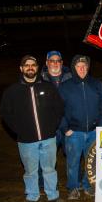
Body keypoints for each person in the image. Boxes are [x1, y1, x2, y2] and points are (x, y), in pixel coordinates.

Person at [0, 55, 65, 202]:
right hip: (26, 140)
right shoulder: (12, 91)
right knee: (30, 171)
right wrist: (19, 130)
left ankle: (53, 195)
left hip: (48, 138)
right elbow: (6, 114)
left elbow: (59, 108)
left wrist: (51, 127)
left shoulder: (48, 87)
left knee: (49, 168)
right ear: (21, 68)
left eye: (33, 65)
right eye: (26, 65)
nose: (30, 67)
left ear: (37, 68)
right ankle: (32, 196)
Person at [59, 54, 102, 200]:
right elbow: (58, 110)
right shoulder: (65, 87)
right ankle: (73, 188)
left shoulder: (96, 84)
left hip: (93, 131)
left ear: (88, 67)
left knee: (91, 161)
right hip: (74, 132)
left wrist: (100, 126)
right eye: (79, 66)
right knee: (73, 162)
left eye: (85, 66)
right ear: (73, 68)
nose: (82, 68)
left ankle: (88, 186)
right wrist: (65, 128)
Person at [37, 50, 72, 190]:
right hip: (49, 126)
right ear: (47, 63)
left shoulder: (71, 77)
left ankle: (73, 184)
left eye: (58, 61)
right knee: (46, 158)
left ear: (62, 63)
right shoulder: (39, 79)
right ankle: (43, 183)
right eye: (52, 60)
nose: (55, 63)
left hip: (68, 125)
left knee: (72, 155)